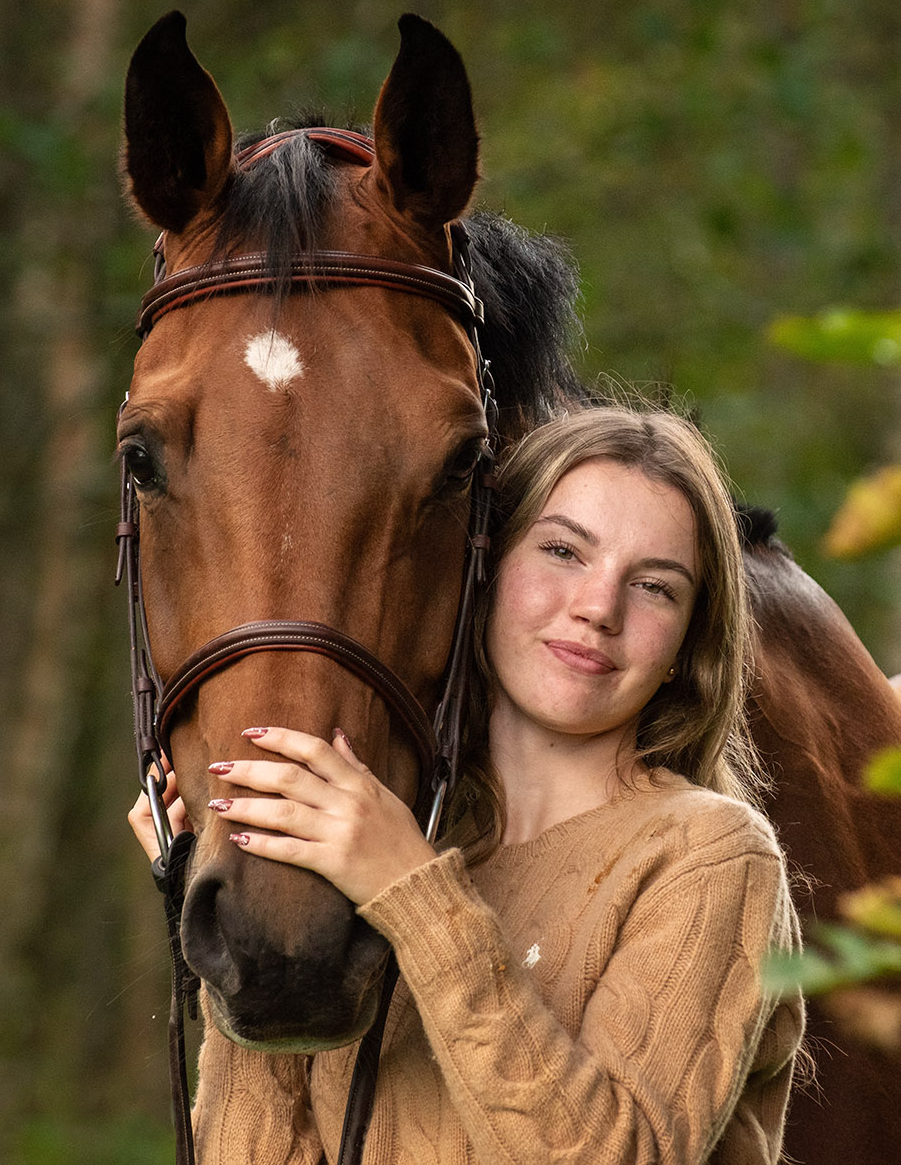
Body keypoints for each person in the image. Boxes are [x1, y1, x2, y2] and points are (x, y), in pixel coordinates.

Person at [129, 405, 804, 1165]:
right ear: (483, 572)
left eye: (654, 587)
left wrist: (411, 890)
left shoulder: (711, 855)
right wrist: (251, 909)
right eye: (562, 551)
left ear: (688, 644)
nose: (596, 607)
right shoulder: (390, 843)